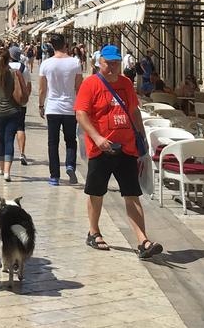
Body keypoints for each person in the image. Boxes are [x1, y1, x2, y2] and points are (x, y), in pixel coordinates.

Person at [75, 45, 162, 259]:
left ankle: (143, 241)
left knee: (132, 194)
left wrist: (141, 136)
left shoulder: (125, 84)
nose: (113, 67)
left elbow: (133, 111)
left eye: (116, 63)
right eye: (109, 63)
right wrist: (97, 137)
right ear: (99, 63)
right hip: (100, 148)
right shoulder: (90, 84)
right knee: (96, 193)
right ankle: (94, 232)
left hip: (127, 147)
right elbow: (81, 114)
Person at [38, 33, 82, 186]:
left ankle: (54, 176)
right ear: (65, 44)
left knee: (53, 143)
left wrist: (41, 105)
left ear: (51, 46)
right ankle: (70, 165)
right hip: (70, 107)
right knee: (70, 140)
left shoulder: (46, 64)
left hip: (53, 107)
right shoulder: (75, 63)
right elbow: (79, 87)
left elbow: (42, 89)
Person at [0, 47, 29, 182]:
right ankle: (7, 172)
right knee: (9, 139)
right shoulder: (15, 73)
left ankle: (1, 167)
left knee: (1, 139)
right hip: (13, 111)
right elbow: (24, 90)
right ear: (9, 58)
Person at [9, 44, 32, 166]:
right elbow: (28, 86)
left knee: (8, 129)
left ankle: (8, 154)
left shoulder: (5, 67)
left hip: (7, 102)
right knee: (20, 127)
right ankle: (22, 153)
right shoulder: (24, 68)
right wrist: (25, 98)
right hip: (21, 102)